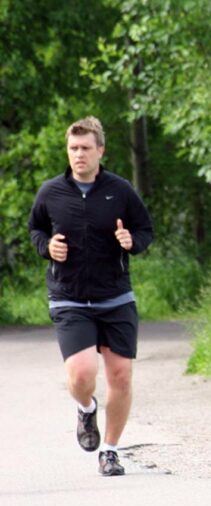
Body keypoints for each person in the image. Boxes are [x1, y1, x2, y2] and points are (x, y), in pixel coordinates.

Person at [28, 116, 154, 476]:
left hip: (115, 296)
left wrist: (133, 241)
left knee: (121, 376)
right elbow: (36, 228)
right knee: (82, 375)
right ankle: (86, 409)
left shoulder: (120, 190)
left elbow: (145, 229)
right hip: (69, 297)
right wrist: (47, 246)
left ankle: (111, 451)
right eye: (73, 148)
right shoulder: (51, 192)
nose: (78, 154)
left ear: (100, 150)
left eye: (85, 148)